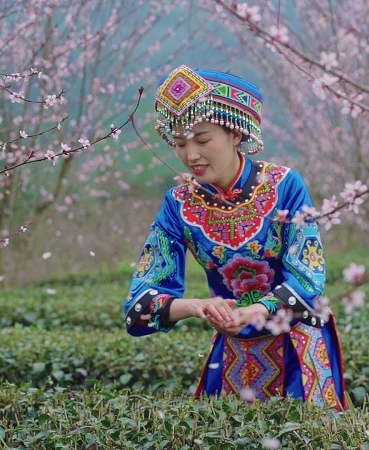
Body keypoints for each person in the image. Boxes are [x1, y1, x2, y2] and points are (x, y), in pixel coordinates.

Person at [123, 65, 348, 412]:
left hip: (297, 348)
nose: (190, 155)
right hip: (232, 349)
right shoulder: (178, 203)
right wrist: (195, 307)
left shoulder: (285, 185)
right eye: (180, 143)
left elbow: (308, 279)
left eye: (202, 140)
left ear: (235, 135)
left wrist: (258, 309)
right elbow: (138, 306)